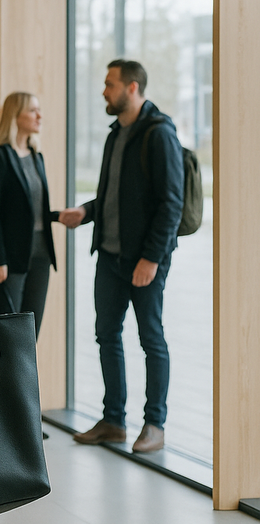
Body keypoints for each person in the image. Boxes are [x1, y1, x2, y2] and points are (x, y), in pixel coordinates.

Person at [58, 60, 184, 454]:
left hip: (145, 260)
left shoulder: (159, 134)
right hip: (109, 257)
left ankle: (155, 425)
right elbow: (116, 194)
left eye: (109, 84)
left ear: (132, 88)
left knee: (151, 340)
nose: (103, 91)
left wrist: (150, 259)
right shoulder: (117, 134)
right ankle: (113, 421)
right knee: (107, 335)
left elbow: (170, 205)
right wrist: (87, 212)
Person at [0, 92, 58, 337]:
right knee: (7, 334)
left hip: (41, 255)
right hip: (10, 258)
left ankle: (27, 378)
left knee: (31, 332)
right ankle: (5, 378)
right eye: (33, 110)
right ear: (16, 116)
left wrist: (56, 216)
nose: (39, 116)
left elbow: (29, 209)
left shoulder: (37, 157)